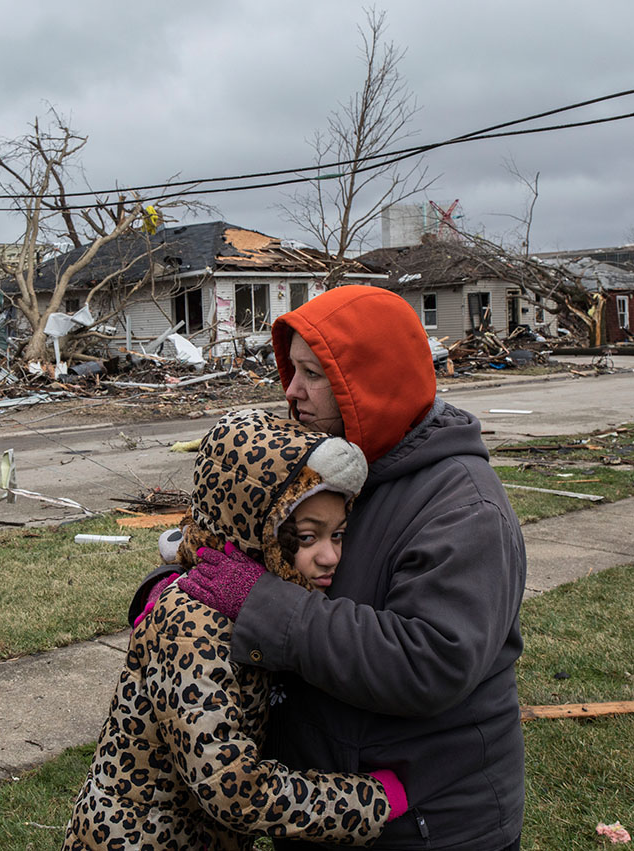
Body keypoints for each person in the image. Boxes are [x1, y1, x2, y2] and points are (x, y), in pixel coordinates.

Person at [178, 286, 527, 851]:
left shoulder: (464, 509)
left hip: (423, 820)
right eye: (291, 371)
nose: (292, 393)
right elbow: (235, 551)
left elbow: (430, 661)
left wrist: (261, 604)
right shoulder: (329, 469)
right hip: (320, 806)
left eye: (315, 374)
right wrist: (177, 591)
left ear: (374, 383)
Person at [63, 409, 409, 851]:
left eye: (338, 535)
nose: (329, 557)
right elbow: (231, 786)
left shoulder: (253, 604)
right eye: (307, 538)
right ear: (251, 530)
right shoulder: (192, 626)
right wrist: (371, 801)